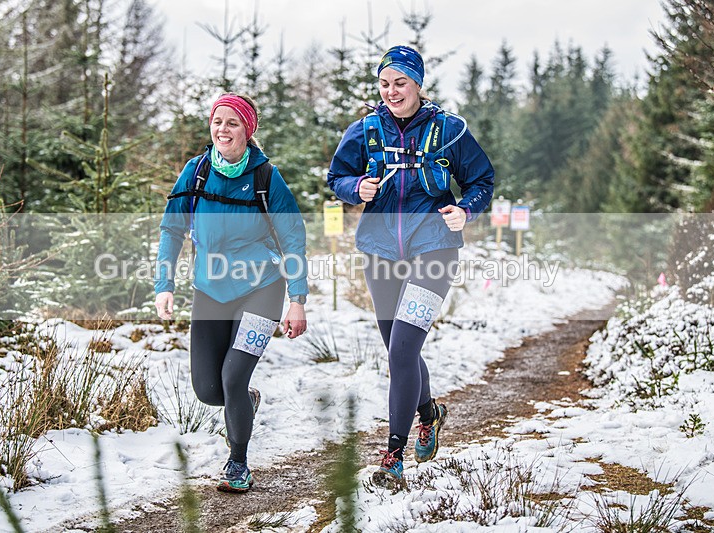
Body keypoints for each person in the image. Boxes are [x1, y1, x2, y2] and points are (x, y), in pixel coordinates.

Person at [327, 45, 494, 486]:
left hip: (434, 250)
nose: (391, 92)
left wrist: (466, 210)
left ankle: (393, 454)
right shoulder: (365, 130)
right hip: (379, 250)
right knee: (397, 348)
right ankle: (429, 412)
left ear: (418, 83)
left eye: (400, 83)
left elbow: (481, 180)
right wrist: (355, 188)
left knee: (402, 349)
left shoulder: (450, 131)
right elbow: (337, 177)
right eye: (384, 84)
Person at [154, 93, 308, 493]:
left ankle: (237, 462)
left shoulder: (265, 176)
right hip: (210, 289)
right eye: (217, 121)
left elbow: (292, 238)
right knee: (208, 390)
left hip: (262, 287)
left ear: (247, 130)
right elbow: (172, 229)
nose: (223, 129)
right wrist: (164, 285)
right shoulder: (196, 171)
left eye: (232, 122)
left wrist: (297, 299)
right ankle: (246, 401)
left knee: (232, 376)